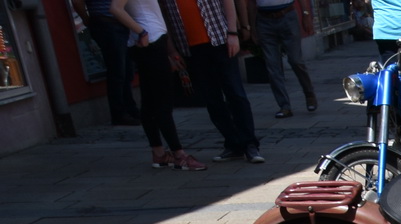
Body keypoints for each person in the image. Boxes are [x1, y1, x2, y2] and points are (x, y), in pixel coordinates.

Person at [108, 0, 206, 168]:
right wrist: (141, 32)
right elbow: (115, 9)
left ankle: (159, 153)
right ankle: (179, 155)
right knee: (162, 102)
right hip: (149, 42)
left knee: (150, 102)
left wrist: (170, 50)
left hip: (153, 40)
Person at [164, 0, 264, 162]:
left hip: (220, 39)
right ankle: (233, 144)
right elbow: (165, 17)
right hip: (190, 47)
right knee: (212, 99)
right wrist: (172, 49)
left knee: (235, 93)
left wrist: (233, 32)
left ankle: (250, 144)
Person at [75, 0, 142, 125]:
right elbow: (77, 2)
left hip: (120, 23)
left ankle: (131, 109)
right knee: (117, 71)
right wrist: (87, 19)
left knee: (127, 70)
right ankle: (119, 114)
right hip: (106, 23)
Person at [252, 0, 317, 117]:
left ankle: (309, 93)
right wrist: (252, 27)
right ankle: (284, 106)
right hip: (264, 20)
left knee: (295, 60)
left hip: (287, 15)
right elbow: (250, 3)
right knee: (272, 67)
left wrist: (306, 14)